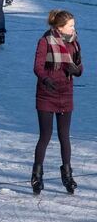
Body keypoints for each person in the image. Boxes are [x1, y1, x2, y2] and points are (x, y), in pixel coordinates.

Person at [31, 10, 83, 195]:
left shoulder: (74, 43)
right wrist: (46, 80)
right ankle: (37, 175)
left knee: (64, 136)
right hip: (46, 94)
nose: (73, 28)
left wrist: (74, 69)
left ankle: (67, 176)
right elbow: (37, 66)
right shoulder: (45, 41)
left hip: (66, 94)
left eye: (73, 25)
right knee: (45, 136)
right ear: (60, 27)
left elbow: (80, 69)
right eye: (71, 26)